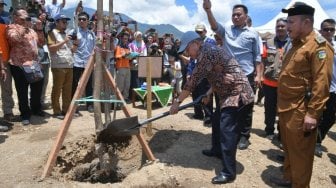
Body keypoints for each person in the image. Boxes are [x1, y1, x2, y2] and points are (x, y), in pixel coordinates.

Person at [170, 31, 254, 184]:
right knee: (216, 120)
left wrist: (177, 103)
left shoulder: (207, 53)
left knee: (227, 131)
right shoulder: (207, 52)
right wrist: (209, 93)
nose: (188, 54)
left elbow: (193, 81)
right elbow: (218, 76)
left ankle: (229, 172)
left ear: (196, 43)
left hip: (238, 95)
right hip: (227, 94)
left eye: (188, 50)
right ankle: (216, 150)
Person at [271, 2, 333, 187]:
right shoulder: (296, 44)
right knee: (290, 149)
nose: (287, 26)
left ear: (306, 22)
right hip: (287, 108)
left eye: (291, 22)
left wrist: (313, 114)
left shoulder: (320, 47)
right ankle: (290, 180)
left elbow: (322, 84)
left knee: (301, 156)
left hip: (301, 111)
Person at [203, 0, 262, 150]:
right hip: (226, 76)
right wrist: (208, 10)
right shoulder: (226, 30)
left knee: (244, 109)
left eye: (238, 15)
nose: (235, 17)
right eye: (233, 15)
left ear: (245, 16)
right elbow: (214, 26)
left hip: (246, 76)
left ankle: (243, 136)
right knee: (223, 109)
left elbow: (257, 57)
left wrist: (258, 75)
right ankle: (220, 144)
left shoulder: (253, 34)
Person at [6, 8, 45, 125]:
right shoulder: (11, 28)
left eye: (27, 17)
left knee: (37, 87)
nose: (27, 18)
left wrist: (39, 29)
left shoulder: (31, 30)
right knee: (22, 91)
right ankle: (25, 114)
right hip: (19, 65)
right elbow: (14, 39)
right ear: (16, 17)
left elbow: (41, 42)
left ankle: (36, 109)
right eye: (23, 17)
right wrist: (23, 27)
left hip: (33, 64)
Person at [262, 17, 289, 141]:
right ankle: (269, 130)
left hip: (285, 84)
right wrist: (260, 76)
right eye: (278, 26)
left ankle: (281, 132)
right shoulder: (268, 42)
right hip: (269, 82)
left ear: (287, 27)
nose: (280, 28)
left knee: (283, 110)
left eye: (282, 26)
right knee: (269, 108)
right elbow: (262, 60)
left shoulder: (293, 42)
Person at [48, 14, 77, 119]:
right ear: (57, 22)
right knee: (57, 89)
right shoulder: (52, 33)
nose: (65, 23)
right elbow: (51, 48)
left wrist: (76, 44)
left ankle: (66, 110)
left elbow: (73, 50)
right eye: (63, 21)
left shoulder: (66, 34)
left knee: (67, 89)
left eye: (66, 22)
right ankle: (56, 111)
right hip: (58, 65)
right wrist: (64, 41)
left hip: (69, 65)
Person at [314, 18, 336, 157]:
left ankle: (317, 140)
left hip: (333, 89)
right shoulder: (316, 45)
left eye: (331, 29)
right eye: (326, 29)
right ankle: (311, 142)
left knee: (330, 118)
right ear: (321, 30)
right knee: (314, 116)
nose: (328, 32)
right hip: (318, 88)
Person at [72, 11, 95, 113]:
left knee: (89, 85)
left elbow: (94, 48)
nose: (81, 21)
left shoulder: (92, 34)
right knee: (74, 84)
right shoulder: (73, 32)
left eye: (84, 19)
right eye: (80, 19)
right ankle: (74, 105)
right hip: (76, 62)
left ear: (88, 21)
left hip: (88, 63)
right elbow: (70, 48)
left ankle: (89, 105)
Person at [0, 2, 15, 122]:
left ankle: (8, 111)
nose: (0, 7)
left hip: (5, 60)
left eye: (1, 5)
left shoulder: (5, 21)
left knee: (7, 88)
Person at [115, 32, 131, 101]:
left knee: (127, 84)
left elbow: (129, 58)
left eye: (127, 39)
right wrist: (123, 55)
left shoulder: (128, 47)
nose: (125, 40)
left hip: (127, 67)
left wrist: (132, 56)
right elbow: (117, 56)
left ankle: (125, 98)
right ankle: (118, 99)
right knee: (120, 85)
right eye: (124, 38)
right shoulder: (119, 47)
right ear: (121, 39)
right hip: (120, 67)